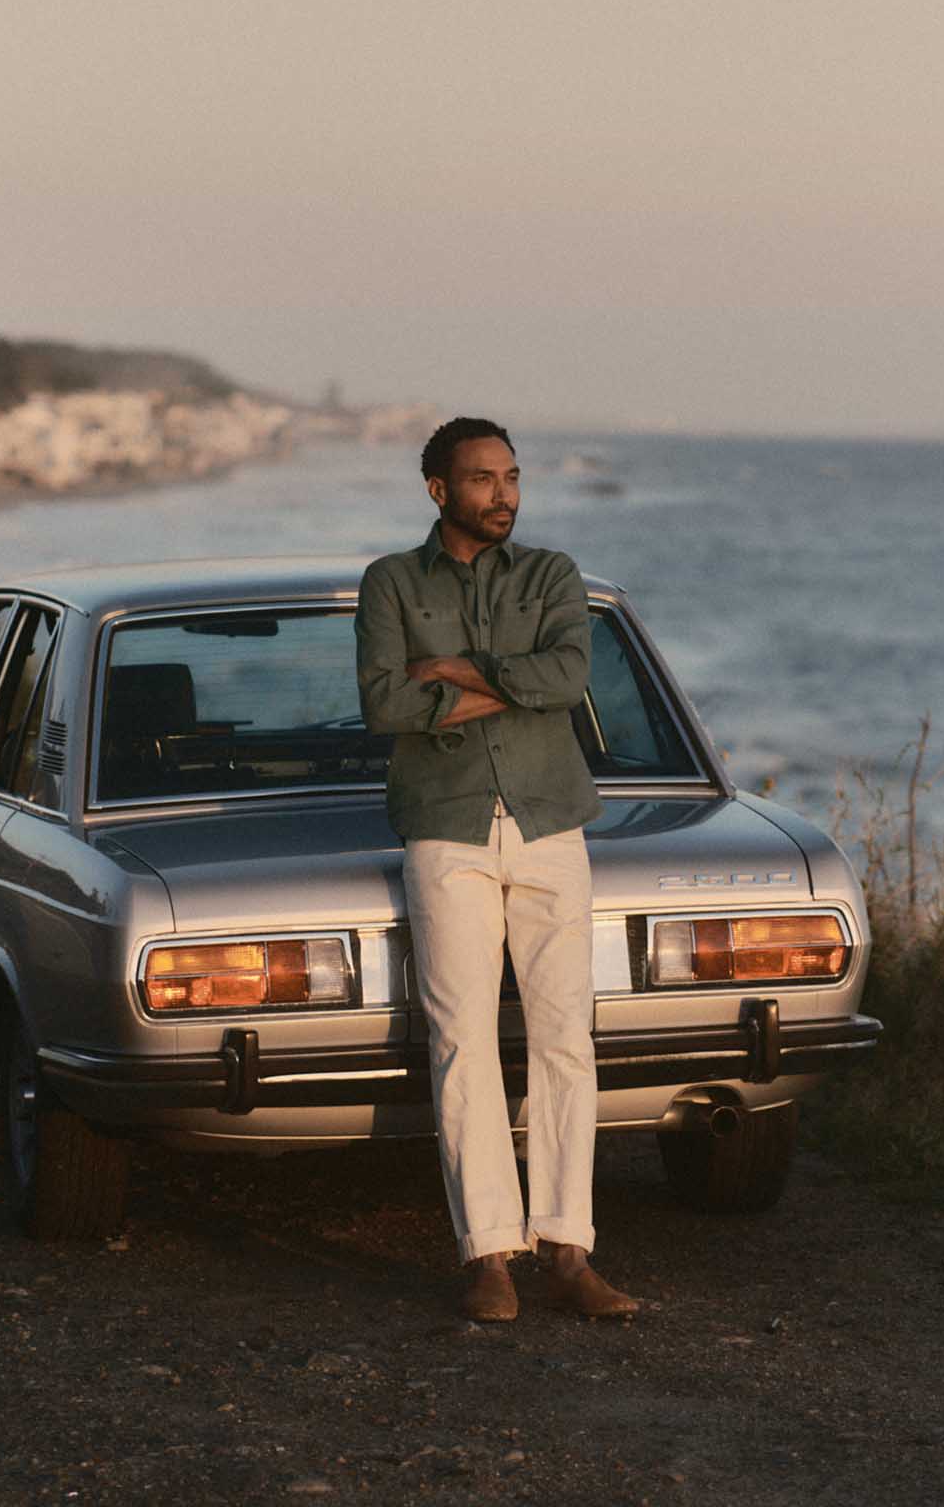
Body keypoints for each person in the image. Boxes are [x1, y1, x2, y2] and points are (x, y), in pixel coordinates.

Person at [355, 416, 638, 1321]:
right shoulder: (391, 582)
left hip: (553, 822)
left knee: (565, 1038)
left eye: (511, 476)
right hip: (447, 829)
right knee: (464, 1041)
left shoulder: (553, 574)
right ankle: (488, 1255)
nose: (503, 494)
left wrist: (457, 672)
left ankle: (568, 1248)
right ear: (439, 490)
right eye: (482, 479)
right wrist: (495, 681)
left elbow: (566, 679)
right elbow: (384, 701)